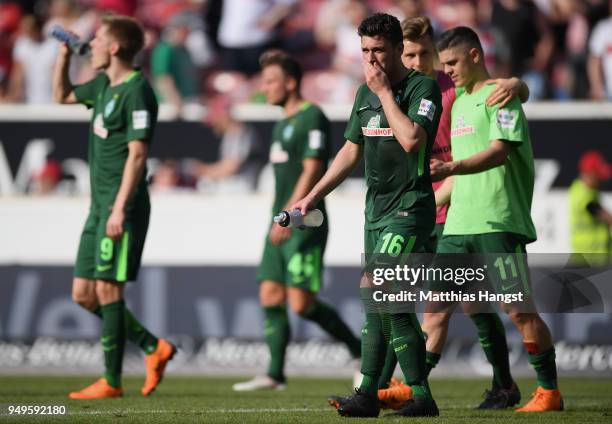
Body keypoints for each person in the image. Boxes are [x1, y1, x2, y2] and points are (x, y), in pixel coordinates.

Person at [328, 16, 531, 411]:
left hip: (450, 207)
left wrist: (516, 84)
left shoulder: (447, 90)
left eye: (424, 54)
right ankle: (388, 387)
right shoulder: (393, 87)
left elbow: (496, 98)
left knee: (467, 302)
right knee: (414, 302)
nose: (418, 61)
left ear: (435, 55)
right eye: (409, 54)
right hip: (425, 209)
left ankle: (499, 383)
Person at [293, 13, 442, 418]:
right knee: (377, 299)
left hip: (410, 208)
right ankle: (372, 394)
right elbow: (350, 152)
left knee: (379, 288)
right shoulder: (363, 94)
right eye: (364, 51)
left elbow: (412, 140)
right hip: (375, 213)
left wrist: (385, 94)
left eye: (378, 50)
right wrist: (312, 195)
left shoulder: (421, 87)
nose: (371, 59)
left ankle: (415, 394)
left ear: (397, 49)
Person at [431, 26, 563, 412]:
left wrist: (452, 165)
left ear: (475, 55)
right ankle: (415, 391)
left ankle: (549, 391)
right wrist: (429, 206)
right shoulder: (456, 105)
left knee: (519, 311)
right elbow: (458, 174)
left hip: (497, 222)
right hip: (458, 225)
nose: (448, 71)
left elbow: (500, 151)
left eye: (453, 62)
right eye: (445, 65)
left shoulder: (502, 96)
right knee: (436, 307)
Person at [52, 15, 175, 399]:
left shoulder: (138, 91)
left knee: (107, 289)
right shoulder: (104, 84)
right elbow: (62, 96)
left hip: (123, 205)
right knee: (82, 295)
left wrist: (120, 208)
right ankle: (155, 347)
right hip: (98, 207)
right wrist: (62, 56)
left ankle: (112, 381)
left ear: (116, 47)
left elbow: (138, 156)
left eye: (99, 38)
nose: (92, 44)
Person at [232, 50, 361, 392]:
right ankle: (274, 374)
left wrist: (291, 215)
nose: (265, 87)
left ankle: (359, 352)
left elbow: (313, 168)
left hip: (304, 221)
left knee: (301, 304)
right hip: (279, 218)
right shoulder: (282, 123)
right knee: (270, 293)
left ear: (290, 83)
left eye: (272, 81)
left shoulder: (311, 116)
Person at [569, 150, 612, 259]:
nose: (600, 180)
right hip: (589, 259)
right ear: (590, 174)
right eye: (598, 176)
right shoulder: (581, 192)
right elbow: (592, 208)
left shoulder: (589, 191)